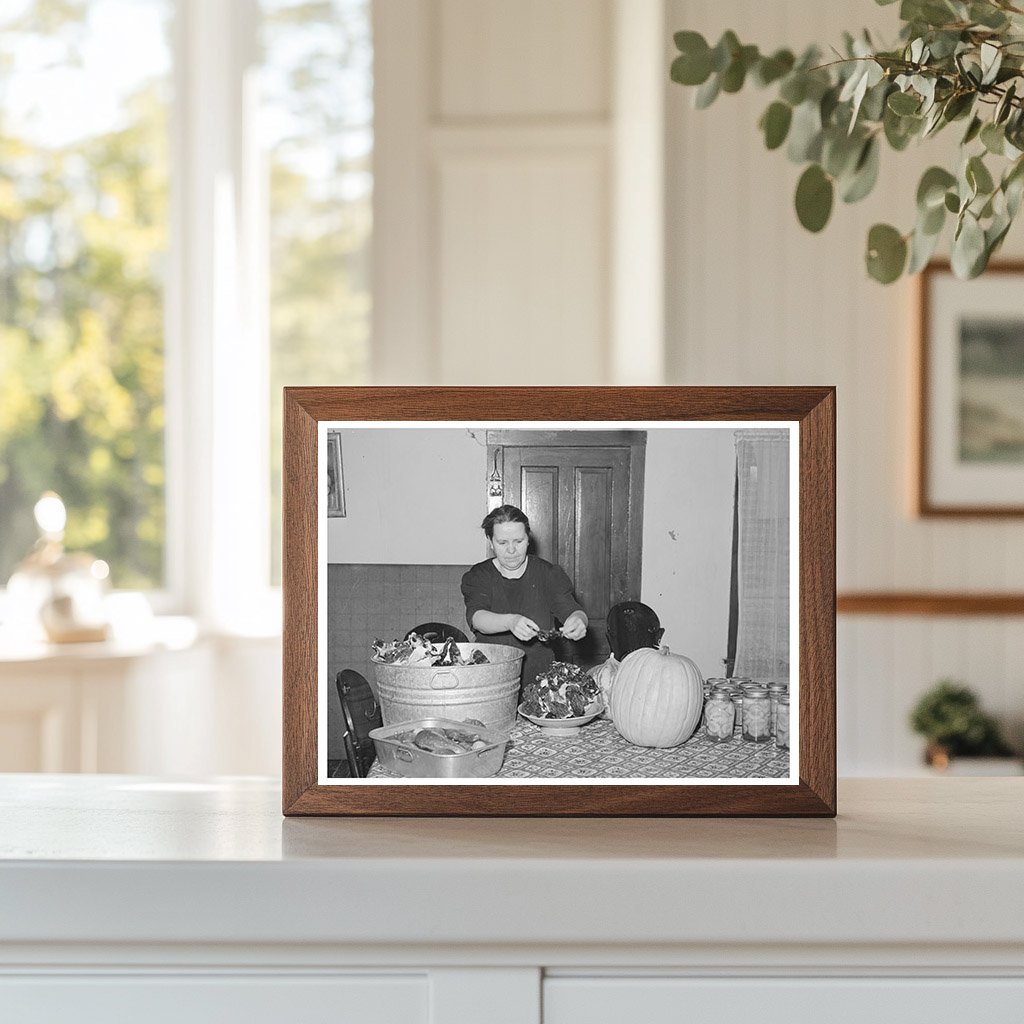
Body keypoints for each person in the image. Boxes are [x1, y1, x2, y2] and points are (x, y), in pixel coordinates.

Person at [460, 504, 588, 689]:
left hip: (540, 676)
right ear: (490, 541)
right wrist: (511, 621)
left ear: (528, 539)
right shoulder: (479, 575)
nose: (511, 550)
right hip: (491, 673)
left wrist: (578, 620)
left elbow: (572, 610)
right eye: (502, 543)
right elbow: (477, 618)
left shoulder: (549, 574)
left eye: (518, 541)